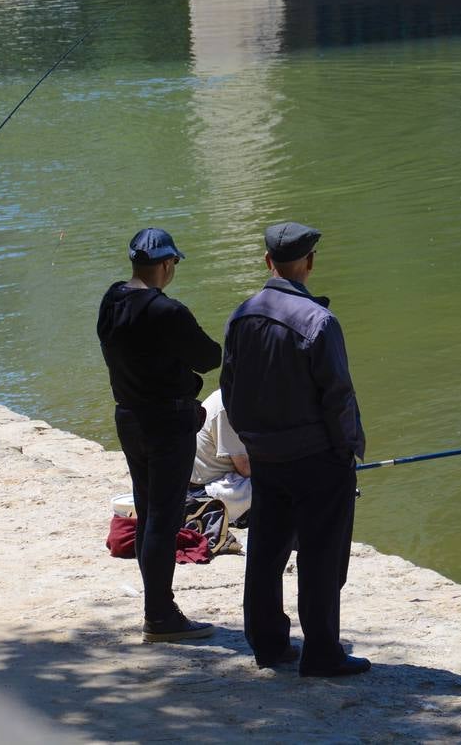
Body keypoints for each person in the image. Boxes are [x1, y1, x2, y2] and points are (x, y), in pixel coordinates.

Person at [221, 221, 369, 676]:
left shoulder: (241, 316)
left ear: (268, 261)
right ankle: (322, 653)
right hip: (317, 458)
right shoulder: (320, 322)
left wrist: (253, 440)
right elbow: (338, 396)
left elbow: (229, 389)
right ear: (309, 263)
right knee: (321, 555)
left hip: (266, 456)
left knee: (266, 550)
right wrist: (348, 449)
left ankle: (267, 644)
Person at [97, 227, 222, 642]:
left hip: (128, 416)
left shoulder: (112, 300)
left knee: (149, 512)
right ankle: (160, 614)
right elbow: (209, 358)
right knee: (163, 521)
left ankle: (159, 609)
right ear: (167, 264)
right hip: (166, 422)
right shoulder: (167, 311)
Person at [190, 389, 252, 524]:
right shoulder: (227, 407)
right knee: (277, 484)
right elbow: (245, 469)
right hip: (208, 486)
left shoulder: (236, 397)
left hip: (227, 476)